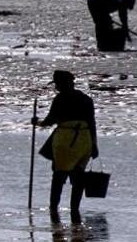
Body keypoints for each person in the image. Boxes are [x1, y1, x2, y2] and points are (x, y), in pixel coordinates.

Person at [32, 70, 98, 219]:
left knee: (59, 176)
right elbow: (92, 123)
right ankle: (75, 211)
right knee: (79, 177)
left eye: (57, 84)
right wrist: (94, 145)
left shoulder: (60, 99)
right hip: (84, 140)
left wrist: (37, 122)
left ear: (62, 84)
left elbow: (50, 121)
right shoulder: (86, 99)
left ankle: (54, 210)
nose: (56, 87)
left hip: (66, 140)